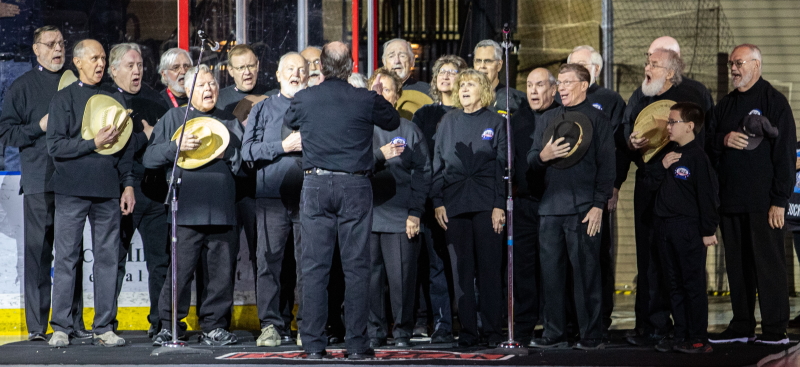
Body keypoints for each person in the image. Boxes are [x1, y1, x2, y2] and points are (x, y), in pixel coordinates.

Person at [284, 41, 400, 360]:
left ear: (320, 66)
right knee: (357, 268)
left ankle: (313, 345)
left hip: (316, 186)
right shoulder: (365, 98)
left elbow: (291, 120)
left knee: (314, 267)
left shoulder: (306, 97)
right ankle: (358, 344)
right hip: (355, 187)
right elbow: (392, 120)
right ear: (350, 67)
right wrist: (374, 91)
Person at [0, 25, 90, 342]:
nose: (58, 49)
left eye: (61, 43)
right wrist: (38, 126)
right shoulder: (22, 87)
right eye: (50, 44)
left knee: (71, 254)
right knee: (39, 254)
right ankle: (38, 327)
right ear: (36, 49)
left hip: (73, 180)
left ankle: (72, 322)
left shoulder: (76, 85)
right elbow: (6, 134)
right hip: (39, 180)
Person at [144, 64, 243, 347]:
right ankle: (169, 325)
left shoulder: (229, 121)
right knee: (180, 272)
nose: (209, 89)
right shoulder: (174, 117)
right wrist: (175, 147)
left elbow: (246, 164)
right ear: (188, 90)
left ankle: (214, 326)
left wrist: (230, 153)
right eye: (201, 85)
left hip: (223, 209)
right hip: (184, 209)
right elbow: (149, 158)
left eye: (212, 84)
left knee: (220, 274)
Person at [46, 39, 134, 348]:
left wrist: (128, 184)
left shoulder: (113, 99)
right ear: (78, 62)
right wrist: (92, 143)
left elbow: (125, 150)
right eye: (94, 58)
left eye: (102, 58)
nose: (100, 64)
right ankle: (61, 326)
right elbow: (55, 146)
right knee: (67, 258)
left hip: (108, 191)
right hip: (70, 190)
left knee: (108, 259)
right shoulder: (63, 100)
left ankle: (104, 326)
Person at [620, 48, 710, 347]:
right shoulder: (639, 98)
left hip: (685, 216)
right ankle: (663, 328)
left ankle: (694, 335)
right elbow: (628, 135)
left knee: (688, 279)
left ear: (670, 72)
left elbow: (706, 187)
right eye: (647, 61)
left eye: (653, 64)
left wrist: (708, 230)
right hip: (656, 206)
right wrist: (634, 144)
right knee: (661, 271)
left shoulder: (691, 100)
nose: (647, 67)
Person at [707, 44, 794, 345]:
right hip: (731, 202)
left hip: (764, 203)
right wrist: (724, 138)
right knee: (738, 266)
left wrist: (779, 201)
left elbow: (784, 155)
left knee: (769, 266)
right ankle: (742, 325)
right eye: (731, 63)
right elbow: (707, 142)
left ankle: (774, 330)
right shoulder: (726, 105)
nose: (733, 68)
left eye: (739, 62)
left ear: (756, 65)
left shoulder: (775, 102)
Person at [527, 64, 614, 350]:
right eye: (560, 82)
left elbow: (607, 166)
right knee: (551, 276)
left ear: (583, 85)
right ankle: (554, 334)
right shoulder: (546, 119)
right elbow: (530, 161)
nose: (561, 87)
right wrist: (544, 155)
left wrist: (599, 204)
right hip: (550, 209)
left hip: (584, 209)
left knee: (587, 274)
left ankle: (591, 335)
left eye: (567, 82)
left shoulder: (598, 118)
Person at [431, 69, 507, 348]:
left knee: (489, 270)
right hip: (454, 204)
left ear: (483, 90)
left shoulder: (496, 122)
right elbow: (437, 164)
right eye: (461, 85)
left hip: (487, 205)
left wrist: (499, 204)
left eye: (470, 84)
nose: (463, 89)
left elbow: (502, 167)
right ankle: (467, 331)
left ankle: (492, 331)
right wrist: (437, 201)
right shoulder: (447, 122)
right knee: (461, 270)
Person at [242, 51, 308, 347]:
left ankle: (308, 325)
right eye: (290, 69)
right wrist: (283, 146)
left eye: (301, 69)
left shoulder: (314, 108)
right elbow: (248, 152)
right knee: (269, 262)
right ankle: (271, 325)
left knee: (308, 265)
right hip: (271, 198)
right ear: (279, 75)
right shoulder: (263, 109)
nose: (296, 73)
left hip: (309, 197)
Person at [105, 42, 170, 337]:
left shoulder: (156, 99)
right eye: (130, 66)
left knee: (160, 260)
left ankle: (161, 323)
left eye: (141, 65)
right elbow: (107, 147)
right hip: (120, 191)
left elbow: (169, 141)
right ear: (114, 69)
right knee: (115, 260)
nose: (137, 70)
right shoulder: (104, 100)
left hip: (155, 190)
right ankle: (106, 325)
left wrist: (152, 137)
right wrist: (147, 137)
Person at [642, 102, 718, 354]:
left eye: (673, 122)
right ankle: (682, 333)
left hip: (687, 229)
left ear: (689, 126)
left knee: (692, 284)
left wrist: (708, 230)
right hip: (664, 228)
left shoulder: (698, 157)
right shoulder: (668, 155)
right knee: (673, 283)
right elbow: (650, 185)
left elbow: (708, 197)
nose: (668, 126)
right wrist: (661, 167)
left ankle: (698, 338)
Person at [366, 68, 431, 349]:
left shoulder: (409, 130)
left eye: (387, 89)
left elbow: (424, 172)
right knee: (369, 280)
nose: (380, 93)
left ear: (397, 96)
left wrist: (415, 212)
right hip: (366, 217)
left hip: (401, 217)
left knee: (401, 280)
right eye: (375, 89)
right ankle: (374, 332)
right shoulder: (359, 129)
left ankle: (402, 332)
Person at [566, 44, 626, 334]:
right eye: (570, 66)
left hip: (597, 194)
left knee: (598, 256)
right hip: (566, 196)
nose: (574, 73)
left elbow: (618, 149)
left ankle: (600, 320)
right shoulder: (561, 102)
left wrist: (613, 187)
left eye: (581, 66)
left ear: (596, 70)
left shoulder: (609, 101)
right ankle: (570, 320)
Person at [410, 54, 466, 343]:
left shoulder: (470, 114)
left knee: (467, 265)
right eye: (441, 72)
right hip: (433, 200)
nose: (446, 76)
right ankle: (443, 324)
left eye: (452, 72)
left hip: (463, 199)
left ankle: (471, 322)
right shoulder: (424, 115)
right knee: (437, 266)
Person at [510, 67, 557, 344]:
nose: (533, 91)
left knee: (553, 269)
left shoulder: (563, 116)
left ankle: (555, 326)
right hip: (524, 205)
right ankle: (525, 327)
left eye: (540, 85)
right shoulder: (518, 120)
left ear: (553, 89)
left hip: (553, 204)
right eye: (529, 85)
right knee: (524, 269)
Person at [473, 39, 525, 115]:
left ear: (499, 65)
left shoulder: (515, 99)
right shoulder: (465, 98)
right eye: (478, 61)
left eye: (488, 61)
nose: (482, 66)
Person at [217, 44, 269, 113]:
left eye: (251, 66)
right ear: (231, 70)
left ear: (257, 66)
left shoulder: (273, 96)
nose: (247, 72)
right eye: (241, 68)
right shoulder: (219, 100)